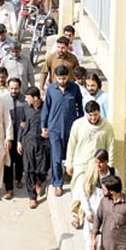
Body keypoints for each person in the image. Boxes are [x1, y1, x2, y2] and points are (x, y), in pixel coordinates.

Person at [67, 101, 115, 228]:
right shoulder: (78, 125)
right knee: (79, 190)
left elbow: (110, 147)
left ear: (99, 113)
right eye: (90, 115)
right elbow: (71, 144)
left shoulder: (107, 127)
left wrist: (110, 167)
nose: (93, 118)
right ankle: (76, 216)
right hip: (80, 164)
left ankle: (84, 216)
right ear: (86, 114)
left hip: (97, 165)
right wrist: (69, 163)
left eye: (95, 115)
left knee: (89, 192)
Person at [42, 65, 84, 196]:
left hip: (71, 128)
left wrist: (82, 123)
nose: (62, 81)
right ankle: (57, 183)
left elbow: (80, 106)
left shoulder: (74, 88)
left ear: (68, 76)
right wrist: (44, 126)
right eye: (59, 78)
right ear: (55, 77)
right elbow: (46, 108)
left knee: (71, 154)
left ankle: (69, 174)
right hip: (54, 128)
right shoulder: (50, 90)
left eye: (64, 78)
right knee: (56, 157)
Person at [19, 86, 51, 209]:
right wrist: (19, 141)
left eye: (28, 97)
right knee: (28, 170)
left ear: (36, 98)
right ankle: (32, 197)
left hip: (42, 142)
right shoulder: (25, 108)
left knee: (42, 168)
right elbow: (21, 125)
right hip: (28, 142)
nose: (26, 100)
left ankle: (39, 181)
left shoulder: (46, 108)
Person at [92, 175, 126, 250]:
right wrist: (93, 238)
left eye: (104, 189)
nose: (102, 190)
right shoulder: (104, 201)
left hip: (121, 249)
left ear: (111, 191)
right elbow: (97, 219)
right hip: (105, 247)